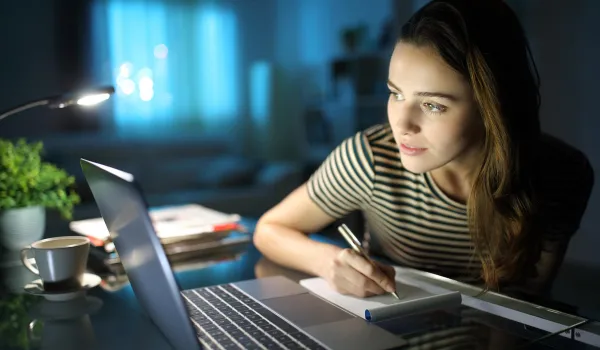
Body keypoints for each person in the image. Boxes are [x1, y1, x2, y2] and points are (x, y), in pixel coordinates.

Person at [253, 0, 594, 300]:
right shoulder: (370, 158)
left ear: (494, 107)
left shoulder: (561, 174)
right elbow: (269, 229)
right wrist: (329, 263)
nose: (402, 124)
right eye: (396, 93)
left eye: (432, 105)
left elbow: (527, 301)